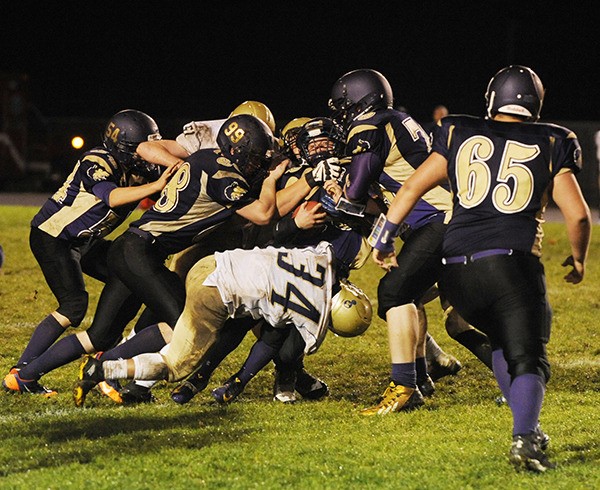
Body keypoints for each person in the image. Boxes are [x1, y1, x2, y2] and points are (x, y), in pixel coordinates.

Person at [369, 65, 591, 472]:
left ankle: (528, 428)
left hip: (456, 270)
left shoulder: (457, 130)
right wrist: (578, 259)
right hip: (510, 265)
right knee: (529, 358)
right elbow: (576, 216)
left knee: (505, 342)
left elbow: (413, 187)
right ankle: (525, 437)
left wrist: (383, 238)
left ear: (491, 98)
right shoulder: (554, 139)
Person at [2, 114, 294, 396]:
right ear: (236, 152)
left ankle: (26, 375)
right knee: (181, 321)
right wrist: (271, 178)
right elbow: (262, 213)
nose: (258, 165)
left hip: (131, 250)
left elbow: (152, 151)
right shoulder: (223, 176)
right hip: (138, 253)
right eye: (255, 158)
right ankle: (104, 368)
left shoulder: (205, 159)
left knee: (99, 336)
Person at [2, 109, 179, 396]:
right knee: (74, 306)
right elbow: (111, 196)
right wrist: (156, 185)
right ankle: (22, 372)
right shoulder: (98, 159)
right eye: (141, 148)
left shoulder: (139, 166)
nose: (147, 155)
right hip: (54, 237)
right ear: (123, 147)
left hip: (86, 242)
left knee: (131, 279)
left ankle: (105, 355)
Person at [73, 241, 370, 407]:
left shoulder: (321, 257)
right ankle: (104, 368)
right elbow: (277, 345)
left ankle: (195, 378)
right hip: (215, 293)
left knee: (212, 326)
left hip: (211, 262)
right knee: (176, 365)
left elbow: (344, 248)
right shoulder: (314, 324)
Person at [328, 68, 455, 414]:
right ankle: (420, 375)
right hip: (440, 219)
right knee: (411, 295)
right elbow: (385, 193)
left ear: (357, 100)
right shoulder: (396, 119)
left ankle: (404, 386)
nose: (342, 115)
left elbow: (354, 198)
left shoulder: (368, 124)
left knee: (394, 292)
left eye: (342, 106)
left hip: (437, 219)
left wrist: (329, 196)